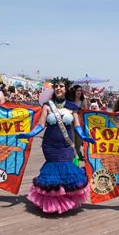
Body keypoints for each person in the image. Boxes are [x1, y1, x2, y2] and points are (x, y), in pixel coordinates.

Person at [16, 77, 95, 214]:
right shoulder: (47, 105)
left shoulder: (73, 107)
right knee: (53, 171)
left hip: (66, 144)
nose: (58, 88)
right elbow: (41, 125)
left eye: (61, 86)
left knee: (66, 169)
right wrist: (30, 134)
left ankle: (65, 201)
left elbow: (77, 125)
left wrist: (83, 137)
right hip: (50, 144)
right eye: (56, 86)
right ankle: (53, 204)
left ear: (65, 90)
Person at [69, 85, 88, 161]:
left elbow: (86, 112)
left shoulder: (84, 101)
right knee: (72, 143)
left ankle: (76, 159)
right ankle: (74, 160)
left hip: (80, 126)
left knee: (78, 144)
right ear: (74, 91)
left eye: (80, 91)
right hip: (71, 125)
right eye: (77, 90)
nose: (79, 92)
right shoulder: (70, 101)